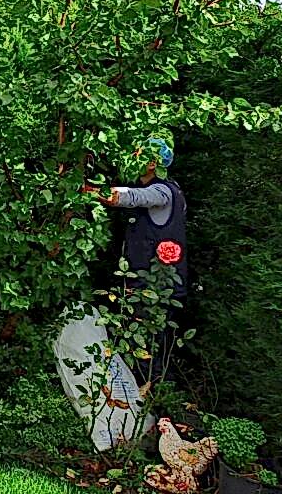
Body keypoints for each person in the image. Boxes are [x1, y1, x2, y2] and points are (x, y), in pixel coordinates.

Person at [92, 136, 188, 383]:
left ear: (153, 163)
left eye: (139, 154)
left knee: (148, 345)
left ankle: (151, 395)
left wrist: (85, 190)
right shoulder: (168, 189)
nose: (133, 157)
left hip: (157, 286)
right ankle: (151, 392)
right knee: (146, 343)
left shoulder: (162, 191)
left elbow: (128, 197)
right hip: (149, 284)